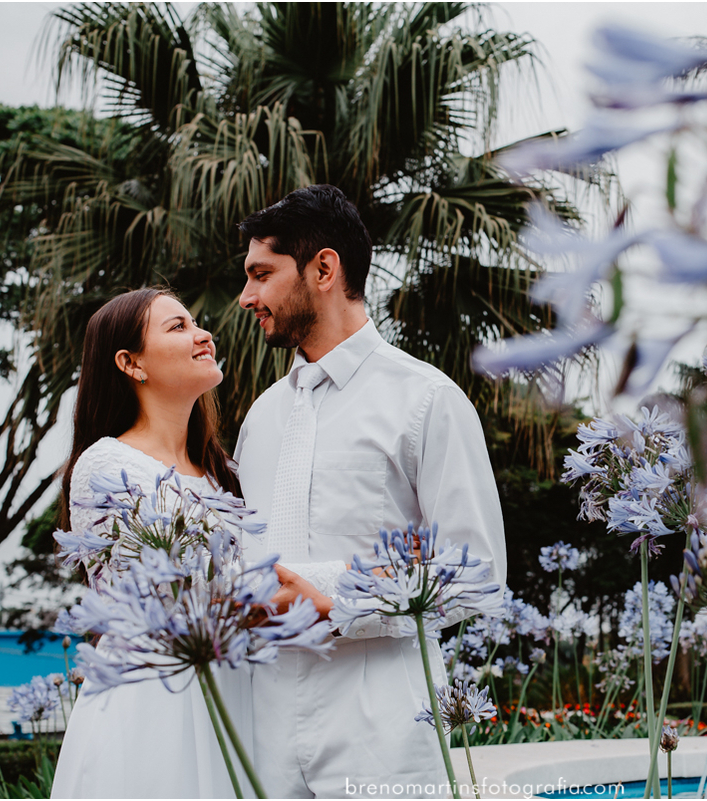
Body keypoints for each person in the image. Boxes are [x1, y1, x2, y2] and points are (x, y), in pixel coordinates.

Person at [234, 184, 506, 798]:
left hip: (383, 731)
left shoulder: (428, 400)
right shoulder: (261, 418)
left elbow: (480, 574)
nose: (246, 296)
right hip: (263, 730)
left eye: (261, 274)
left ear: (324, 268)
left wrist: (338, 600)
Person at [51, 288, 254, 799]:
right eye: (178, 326)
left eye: (196, 323)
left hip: (233, 689)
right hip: (153, 695)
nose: (203, 334)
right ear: (130, 363)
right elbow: (147, 598)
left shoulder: (225, 472)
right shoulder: (105, 466)